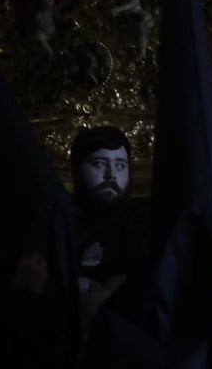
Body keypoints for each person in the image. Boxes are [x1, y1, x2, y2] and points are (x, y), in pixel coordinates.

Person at [67, 125, 149, 339]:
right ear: (76, 169)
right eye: (99, 164)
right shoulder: (59, 219)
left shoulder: (142, 222)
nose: (111, 175)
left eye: (121, 165)